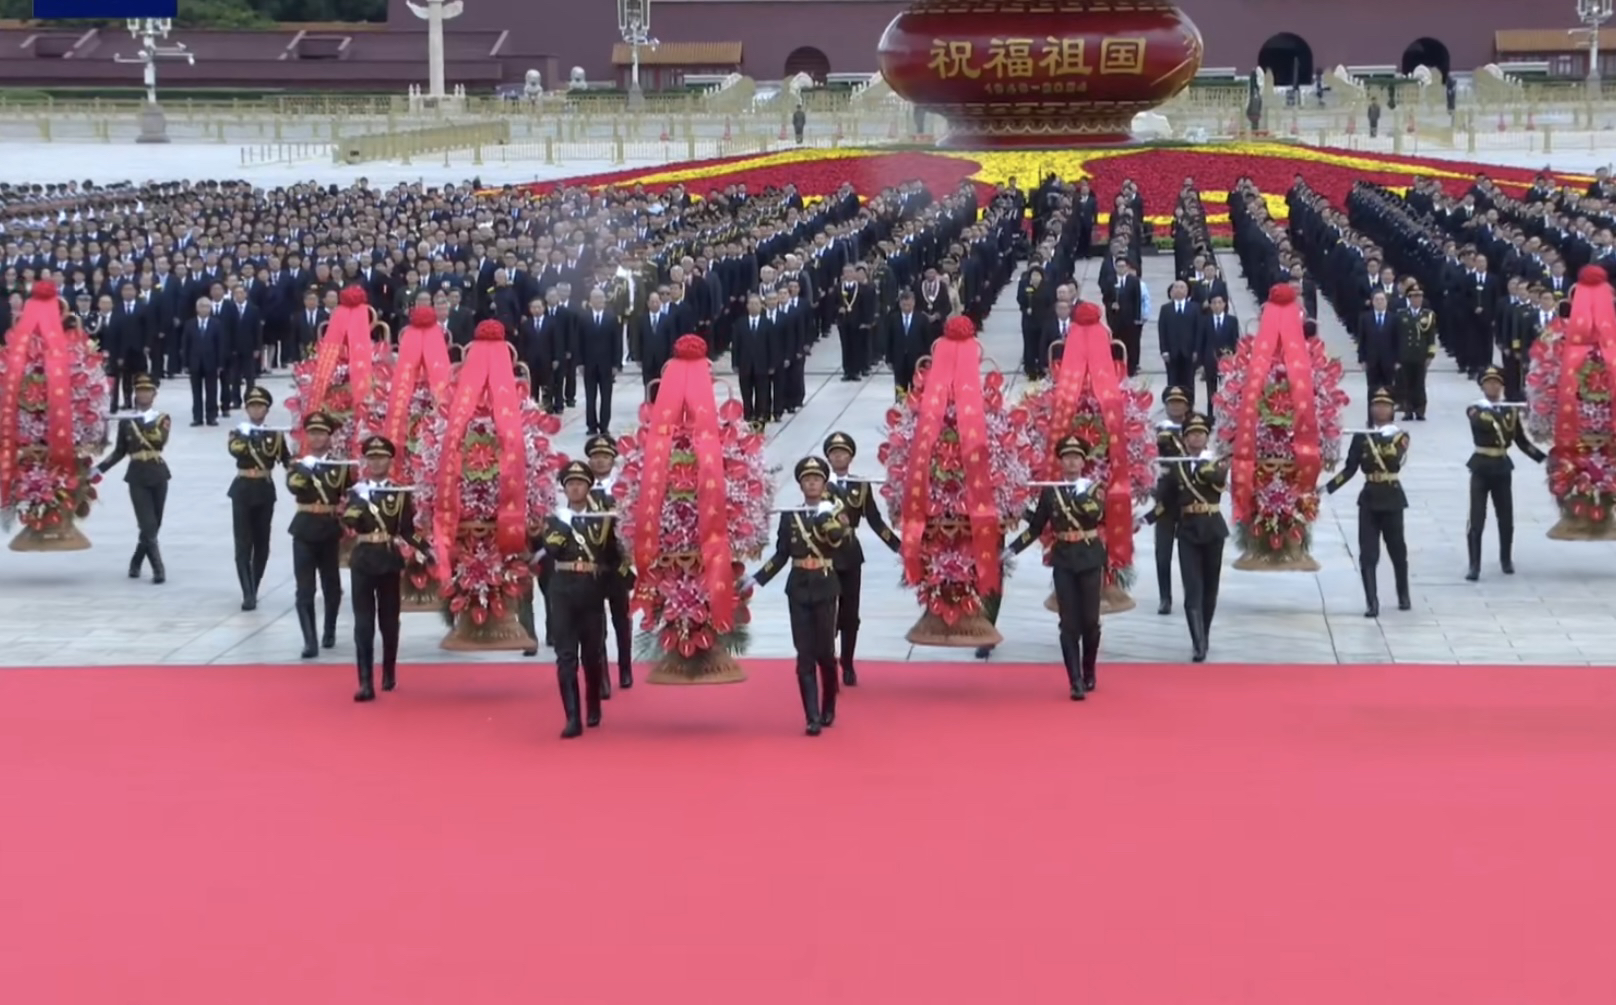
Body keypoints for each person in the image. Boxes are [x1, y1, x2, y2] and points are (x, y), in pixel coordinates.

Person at [744, 457, 849, 736]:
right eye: (807, 480)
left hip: (826, 585)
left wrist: (827, 518)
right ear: (801, 485)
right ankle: (811, 716)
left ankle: (828, 705)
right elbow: (781, 554)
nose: (812, 483)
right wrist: (757, 578)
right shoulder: (791, 515)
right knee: (804, 654)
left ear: (824, 484)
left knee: (825, 653)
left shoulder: (835, 511)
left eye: (816, 479)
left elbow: (842, 543)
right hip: (799, 587)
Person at [1007, 436, 1105, 700]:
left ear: (1083, 462)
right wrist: (1011, 549)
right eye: (1067, 458)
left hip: (1089, 559)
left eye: (1076, 458)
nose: (1071, 462)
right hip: (1064, 560)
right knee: (1068, 623)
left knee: (1090, 623)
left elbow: (1095, 514)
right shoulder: (1050, 491)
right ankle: (1074, 681)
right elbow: (1037, 527)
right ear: (1061, 461)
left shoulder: (1094, 488)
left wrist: (1082, 493)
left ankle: (1089, 669)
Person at [341, 435, 424, 702]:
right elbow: (350, 522)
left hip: (388, 558)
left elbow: (408, 531)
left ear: (390, 461)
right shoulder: (357, 492)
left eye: (382, 459)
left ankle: (389, 670)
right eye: (372, 459)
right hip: (364, 559)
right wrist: (358, 503)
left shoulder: (399, 494)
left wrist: (428, 549)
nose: (377, 463)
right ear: (366, 461)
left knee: (389, 621)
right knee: (363, 623)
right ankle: (365, 682)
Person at [535, 461, 612, 739]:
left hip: (591, 590)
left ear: (588, 488)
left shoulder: (602, 519)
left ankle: (593, 704)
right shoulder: (556, 519)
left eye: (580, 484)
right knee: (566, 656)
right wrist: (565, 523)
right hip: (563, 591)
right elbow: (552, 548)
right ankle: (572, 717)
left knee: (592, 654)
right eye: (570, 484)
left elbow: (613, 555)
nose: (575, 488)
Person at [1146, 412, 1227, 662]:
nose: (1196, 438)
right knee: (1192, 589)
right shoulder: (1176, 468)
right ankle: (1198, 643)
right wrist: (1144, 520)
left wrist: (1205, 463)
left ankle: (1205, 632)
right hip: (1188, 531)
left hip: (1212, 528)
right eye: (1191, 434)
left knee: (1210, 589)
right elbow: (1165, 502)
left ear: (1206, 438)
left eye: (1200, 434)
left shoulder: (1215, 462)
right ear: (1184, 437)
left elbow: (1217, 482)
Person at [1324, 388, 1410, 617]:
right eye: (1376, 405)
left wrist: (1379, 437)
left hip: (1392, 497)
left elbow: (1394, 457)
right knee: (1368, 554)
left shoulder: (1400, 436)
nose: (1380, 409)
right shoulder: (1361, 436)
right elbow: (1351, 469)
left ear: (1392, 410)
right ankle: (1372, 601)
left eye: (1385, 406)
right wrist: (1327, 488)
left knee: (1397, 550)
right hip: (1370, 499)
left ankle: (1403, 593)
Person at [823, 432, 900, 685]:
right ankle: (828, 660)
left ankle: (847, 662)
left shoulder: (861, 486)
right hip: (825, 555)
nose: (838, 456)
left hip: (850, 554)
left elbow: (875, 521)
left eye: (843, 453)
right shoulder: (818, 485)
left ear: (851, 457)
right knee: (826, 612)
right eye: (834, 453)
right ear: (828, 457)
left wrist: (899, 548)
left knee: (850, 612)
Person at [286, 411, 356, 659]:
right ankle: (309, 640)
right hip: (304, 528)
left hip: (328, 528)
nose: (317, 438)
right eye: (313, 433)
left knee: (332, 586)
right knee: (304, 588)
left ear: (329, 437)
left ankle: (329, 629)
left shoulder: (340, 465)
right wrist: (307, 469)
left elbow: (350, 492)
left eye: (322, 433)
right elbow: (294, 485)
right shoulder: (297, 463)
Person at [1465, 366, 1544, 580]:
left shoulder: (1510, 410)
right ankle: (1474, 564)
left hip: (1501, 466)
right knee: (1477, 518)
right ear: (1482, 387)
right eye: (1488, 383)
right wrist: (1495, 409)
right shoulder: (1476, 408)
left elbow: (1520, 440)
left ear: (1502, 386)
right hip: (1481, 466)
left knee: (1506, 517)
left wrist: (1543, 458)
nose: (1493, 386)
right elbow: (1480, 422)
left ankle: (1506, 559)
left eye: (1496, 383)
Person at [93, 373, 171, 584]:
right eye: (140, 391)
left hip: (157, 473)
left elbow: (159, 440)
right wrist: (99, 469)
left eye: (148, 391)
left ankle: (136, 561)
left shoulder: (161, 418)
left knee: (155, 524)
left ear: (154, 395)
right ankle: (158, 568)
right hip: (137, 475)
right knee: (147, 525)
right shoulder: (127, 421)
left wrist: (143, 422)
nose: (143, 394)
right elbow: (120, 451)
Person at [227, 386, 290, 610]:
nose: (256, 410)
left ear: (266, 410)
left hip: (264, 490)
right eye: (252, 406)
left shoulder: (275, 435)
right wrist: (247, 435)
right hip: (243, 489)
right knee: (243, 544)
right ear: (246, 409)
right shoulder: (238, 433)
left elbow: (287, 460)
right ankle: (247, 592)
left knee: (262, 544)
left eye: (260, 406)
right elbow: (236, 450)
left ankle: (255, 583)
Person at [586, 434, 635, 692]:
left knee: (622, 619)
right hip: (592, 566)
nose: (600, 461)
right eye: (596, 457)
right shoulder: (581, 488)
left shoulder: (623, 487)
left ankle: (625, 668)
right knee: (595, 624)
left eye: (605, 457)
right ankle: (602, 675)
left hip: (617, 563)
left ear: (613, 460)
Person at [1153, 386, 1191, 615]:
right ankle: (1164, 596)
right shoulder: (1158, 430)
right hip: (1166, 493)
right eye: (1171, 402)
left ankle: (1191, 593)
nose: (1175, 406)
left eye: (1180, 402)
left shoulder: (1197, 429)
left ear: (1187, 406)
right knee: (1163, 550)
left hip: (1189, 494)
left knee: (1189, 550)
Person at [1395, 285, 1437, 421]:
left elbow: (1431, 336)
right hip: (1405, 354)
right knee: (1406, 384)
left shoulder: (1428, 315)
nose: (1417, 300)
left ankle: (1420, 410)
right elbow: (1397, 336)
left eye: (1419, 297)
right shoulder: (1401, 314)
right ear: (1409, 299)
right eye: (1414, 297)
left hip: (1420, 355)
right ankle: (1408, 410)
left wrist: (1430, 355)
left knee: (1419, 384)